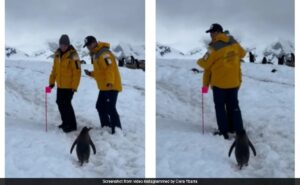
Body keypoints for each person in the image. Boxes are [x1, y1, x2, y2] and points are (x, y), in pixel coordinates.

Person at [197, 23, 246, 139]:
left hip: (219, 84)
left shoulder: (213, 48)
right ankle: (238, 129)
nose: (211, 35)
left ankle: (223, 131)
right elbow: (243, 54)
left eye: (212, 32)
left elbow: (204, 64)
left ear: (218, 32)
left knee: (220, 107)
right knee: (234, 106)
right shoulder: (233, 42)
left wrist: (199, 60)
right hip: (234, 82)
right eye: (210, 33)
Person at [83, 36, 122, 134]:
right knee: (100, 106)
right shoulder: (96, 54)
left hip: (111, 86)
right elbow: (100, 72)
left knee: (110, 108)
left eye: (89, 44)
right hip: (105, 87)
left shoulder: (103, 53)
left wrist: (109, 82)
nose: (88, 47)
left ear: (94, 43)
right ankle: (106, 126)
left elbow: (109, 69)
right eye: (87, 46)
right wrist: (91, 73)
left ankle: (117, 130)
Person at [49, 34, 81, 133]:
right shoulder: (57, 54)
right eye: (61, 44)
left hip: (69, 86)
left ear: (68, 45)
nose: (63, 46)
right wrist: (51, 82)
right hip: (60, 85)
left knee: (66, 104)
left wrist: (74, 87)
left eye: (65, 45)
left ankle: (72, 125)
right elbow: (54, 69)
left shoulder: (73, 55)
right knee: (60, 103)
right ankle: (65, 122)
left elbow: (77, 72)